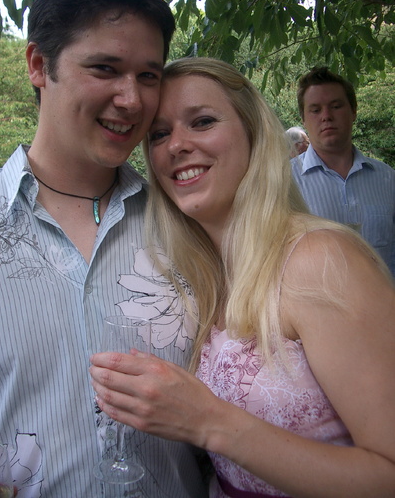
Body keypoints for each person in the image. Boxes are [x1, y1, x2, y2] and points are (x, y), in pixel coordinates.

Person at [90, 57, 395, 498]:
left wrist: (209, 422)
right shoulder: (207, 275)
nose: (177, 145)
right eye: (159, 134)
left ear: (254, 133)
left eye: (202, 121)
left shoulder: (320, 259)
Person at [0, 0, 209, 498]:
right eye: (105, 68)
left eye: (148, 76)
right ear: (39, 65)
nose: (131, 99)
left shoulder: (188, 225)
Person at [290, 66, 395, 277]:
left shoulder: (388, 179)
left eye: (336, 106)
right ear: (303, 119)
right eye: (315, 110)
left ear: (353, 111)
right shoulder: (285, 182)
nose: (326, 116)